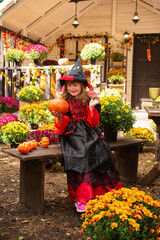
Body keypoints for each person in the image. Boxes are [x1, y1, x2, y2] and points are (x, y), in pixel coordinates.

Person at [51, 58, 122, 213]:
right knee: (80, 154)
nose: (72, 88)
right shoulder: (63, 102)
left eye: (75, 85)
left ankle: (101, 193)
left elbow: (93, 123)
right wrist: (61, 118)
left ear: (82, 86)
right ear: (65, 87)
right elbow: (61, 128)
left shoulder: (90, 99)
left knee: (101, 151)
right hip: (71, 134)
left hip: (89, 132)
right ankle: (81, 198)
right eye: (69, 85)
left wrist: (91, 108)